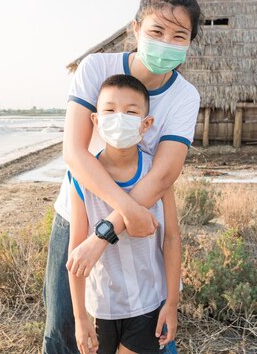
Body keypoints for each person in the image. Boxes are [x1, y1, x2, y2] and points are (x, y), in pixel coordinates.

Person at [43, 0, 201, 354]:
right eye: (156, 31)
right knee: (66, 329)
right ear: (135, 29)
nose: (166, 42)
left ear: (191, 41)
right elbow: (74, 153)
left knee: (144, 325)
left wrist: (106, 233)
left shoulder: (184, 96)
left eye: (179, 35)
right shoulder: (97, 68)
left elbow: (164, 174)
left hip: (140, 226)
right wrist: (124, 212)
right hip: (81, 212)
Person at [67, 75, 181, 354]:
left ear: (146, 124)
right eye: (110, 110)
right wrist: (80, 318)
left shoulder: (156, 172)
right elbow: (76, 250)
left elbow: (172, 238)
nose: (119, 118)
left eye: (130, 112)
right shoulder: (81, 179)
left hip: (148, 301)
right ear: (95, 120)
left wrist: (172, 303)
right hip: (103, 305)